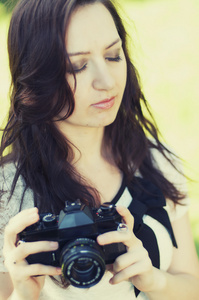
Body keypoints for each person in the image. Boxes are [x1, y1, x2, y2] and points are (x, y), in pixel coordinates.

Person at [0, 0, 199, 299]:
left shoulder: (155, 161)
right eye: (77, 66)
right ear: (37, 76)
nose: (107, 82)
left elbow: (192, 286)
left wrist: (154, 280)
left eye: (113, 55)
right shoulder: (8, 191)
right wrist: (23, 295)